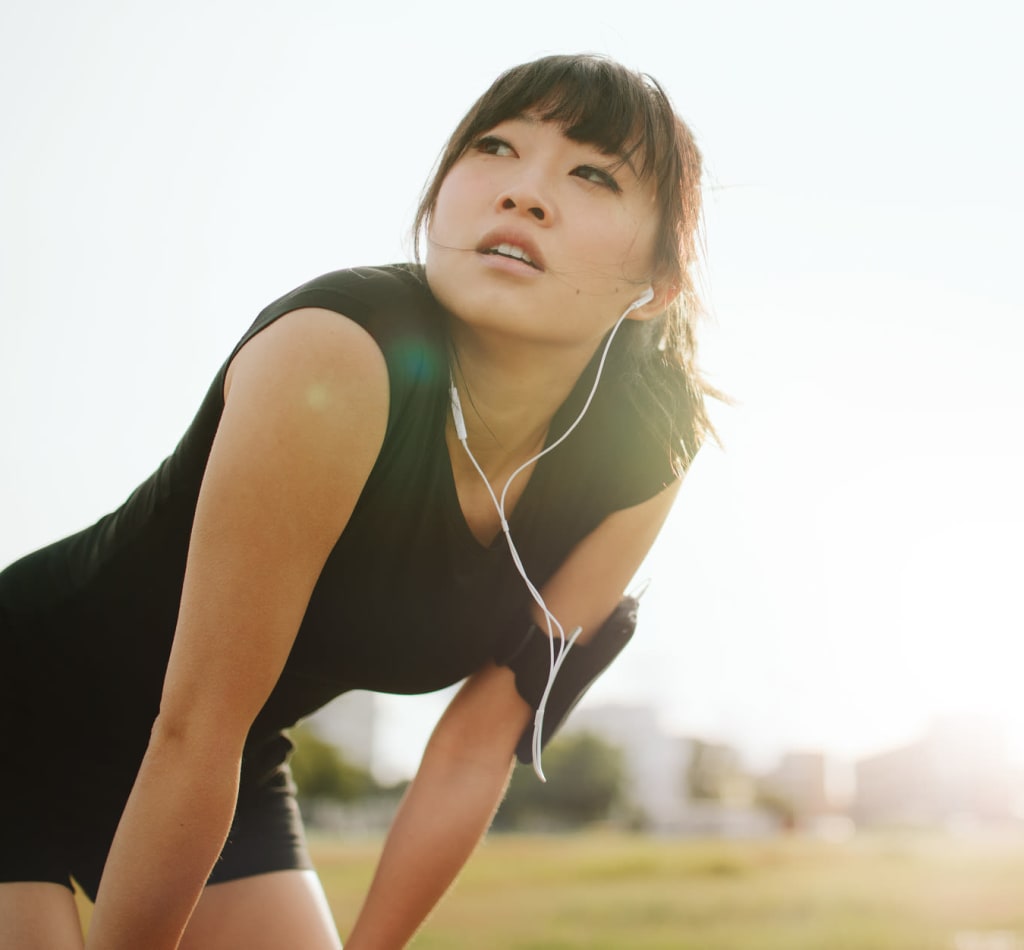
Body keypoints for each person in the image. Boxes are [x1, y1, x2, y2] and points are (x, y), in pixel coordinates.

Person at [0, 53, 718, 949]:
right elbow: (193, 729)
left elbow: (475, 746)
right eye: (494, 148)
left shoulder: (645, 450)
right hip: (28, 701)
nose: (524, 194)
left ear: (657, 287)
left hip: (228, 757)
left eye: (590, 173)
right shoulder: (335, 357)